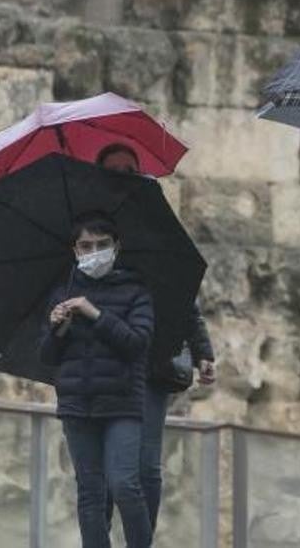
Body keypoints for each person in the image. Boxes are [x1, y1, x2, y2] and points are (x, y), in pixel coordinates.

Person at [96, 143, 218, 531]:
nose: (120, 176)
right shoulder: (88, 229)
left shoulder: (157, 223)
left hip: (152, 357)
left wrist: (202, 350)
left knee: (144, 467)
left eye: (128, 170)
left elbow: (182, 292)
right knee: (102, 472)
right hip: (103, 360)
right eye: (112, 170)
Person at [41, 211, 155, 548]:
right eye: (86, 246)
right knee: (90, 493)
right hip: (78, 404)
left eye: (102, 244)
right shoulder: (64, 291)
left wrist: (96, 314)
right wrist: (57, 328)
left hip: (122, 403)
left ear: (116, 246)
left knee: (124, 485)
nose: (94, 252)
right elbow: (47, 357)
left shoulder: (136, 291)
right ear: (75, 250)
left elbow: (137, 344)